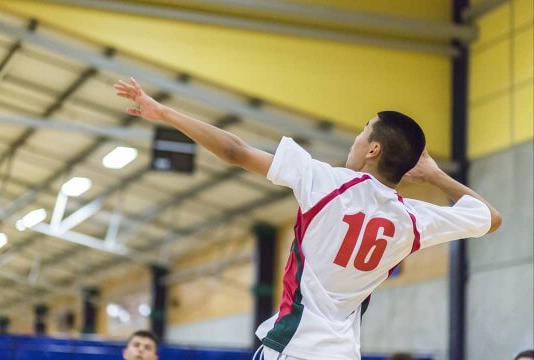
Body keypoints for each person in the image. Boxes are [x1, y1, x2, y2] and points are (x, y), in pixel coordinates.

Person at [114, 78, 502, 360]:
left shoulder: (325, 181)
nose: (355, 139)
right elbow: (491, 217)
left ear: (373, 149)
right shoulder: (413, 220)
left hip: (292, 346)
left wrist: (162, 111)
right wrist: (434, 175)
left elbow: (234, 150)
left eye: (361, 133)